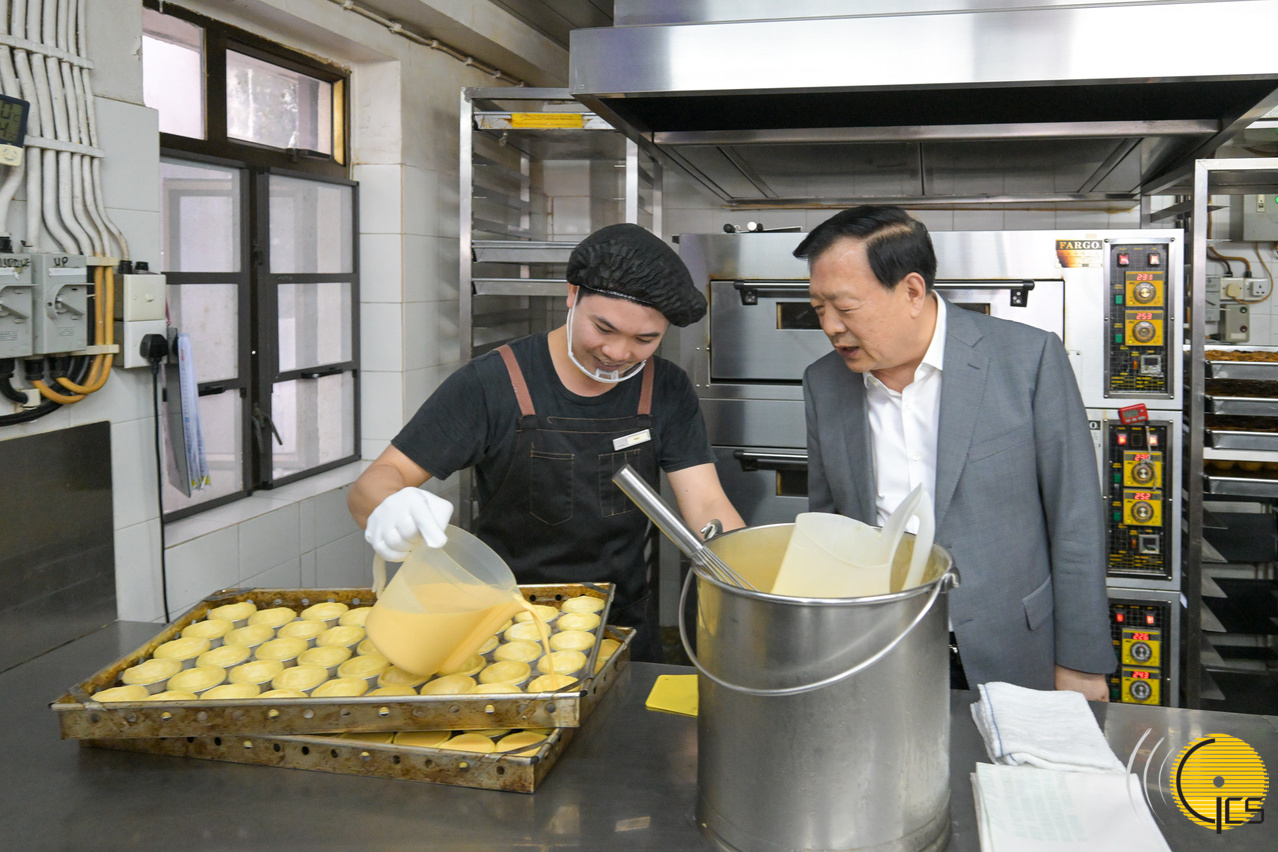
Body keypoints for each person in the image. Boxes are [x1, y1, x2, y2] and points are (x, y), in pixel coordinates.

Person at [349, 223, 744, 662]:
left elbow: (707, 505)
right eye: (603, 328)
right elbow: (376, 482)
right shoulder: (491, 382)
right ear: (572, 294)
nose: (617, 353)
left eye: (644, 339)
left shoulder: (666, 387)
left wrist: (755, 579)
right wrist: (389, 504)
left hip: (622, 627)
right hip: (504, 629)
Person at [796, 206, 1116, 699]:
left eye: (846, 306)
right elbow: (829, 524)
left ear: (912, 291)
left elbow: (1075, 518)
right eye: (819, 309)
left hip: (1010, 643)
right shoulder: (824, 382)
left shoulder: (1027, 359)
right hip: (876, 651)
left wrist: (1081, 662)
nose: (831, 326)